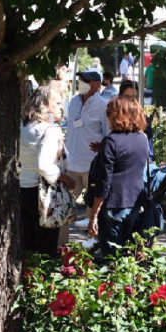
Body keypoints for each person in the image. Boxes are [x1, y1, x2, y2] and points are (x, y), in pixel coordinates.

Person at [87, 97, 149, 257]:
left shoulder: (111, 141)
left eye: (109, 114)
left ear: (116, 116)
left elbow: (104, 182)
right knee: (129, 255)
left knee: (111, 257)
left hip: (113, 205)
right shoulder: (143, 138)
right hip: (135, 203)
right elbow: (129, 158)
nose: (107, 117)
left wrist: (94, 215)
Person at [20, 86, 75, 256]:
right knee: (46, 248)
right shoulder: (50, 129)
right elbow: (43, 165)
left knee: (28, 245)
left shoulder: (23, 125)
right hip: (43, 193)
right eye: (57, 103)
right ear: (44, 104)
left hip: (22, 188)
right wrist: (65, 178)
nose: (61, 107)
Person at [63, 70, 110, 242]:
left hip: (92, 166)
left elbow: (108, 135)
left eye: (86, 81)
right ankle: (60, 246)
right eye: (80, 79)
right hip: (71, 164)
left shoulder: (104, 105)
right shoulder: (74, 101)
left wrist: (101, 150)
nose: (81, 83)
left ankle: (91, 247)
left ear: (97, 84)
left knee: (92, 214)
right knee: (63, 207)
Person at [119, 80, 154, 159]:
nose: (131, 101)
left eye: (135, 97)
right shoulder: (113, 119)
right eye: (127, 97)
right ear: (120, 97)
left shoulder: (144, 120)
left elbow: (149, 153)